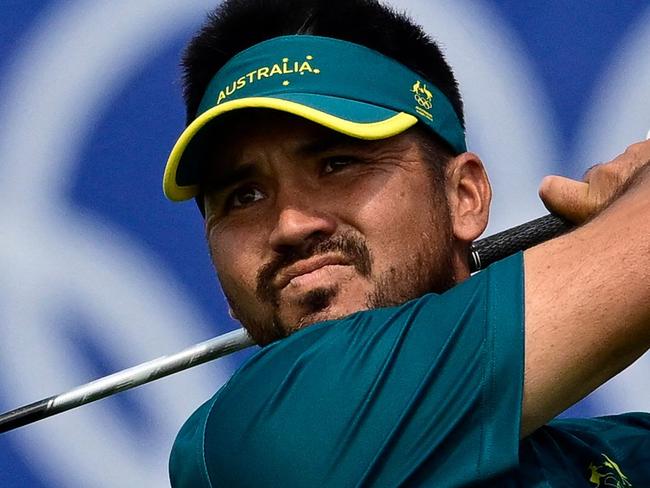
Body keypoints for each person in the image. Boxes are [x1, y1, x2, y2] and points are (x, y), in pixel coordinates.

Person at [162, 0, 650, 486]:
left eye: (337, 164)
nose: (290, 224)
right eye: (244, 196)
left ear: (464, 196)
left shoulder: (615, 455)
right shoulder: (249, 439)